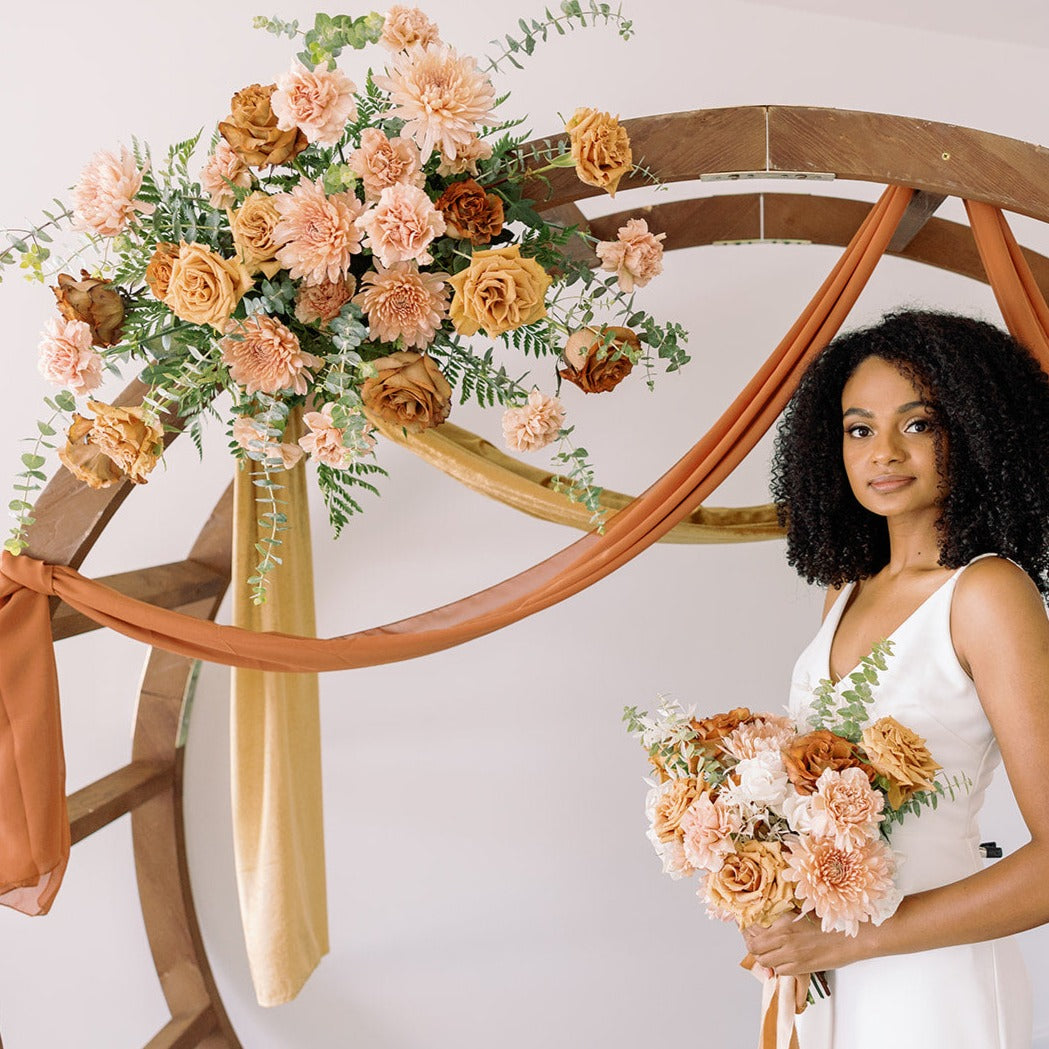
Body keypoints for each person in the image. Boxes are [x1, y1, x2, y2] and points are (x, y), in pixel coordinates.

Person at [747, 309, 1049, 1048]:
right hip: (827, 977)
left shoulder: (987, 593)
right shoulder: (845, 589)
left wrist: (851, 940)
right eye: (858, 428)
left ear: (976, 429)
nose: (882, 451)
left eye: (917, 424)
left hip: (931, 984)